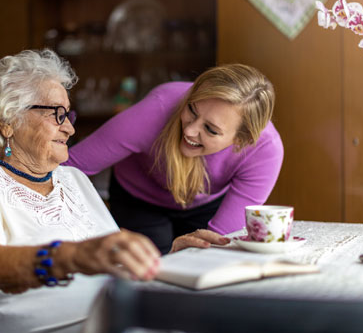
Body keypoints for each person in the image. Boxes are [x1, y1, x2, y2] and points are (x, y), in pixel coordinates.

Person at [0, 49, 228, 333]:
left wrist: (169, 258)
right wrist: (73, 256)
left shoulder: (73, 179)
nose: (70, 130)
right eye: (56, 115)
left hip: (105, 323)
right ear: (8, 122)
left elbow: (110, 259)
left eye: (68, 116)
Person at [65, 64, 283, 254]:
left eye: (210, 129)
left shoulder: (265, 150)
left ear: (242, 140)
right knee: (146, 272)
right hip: (139, 198)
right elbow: (68, 166)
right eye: (192, 110)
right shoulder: (157, 109)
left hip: (206, 204)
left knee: (205, 264)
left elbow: (219, 243)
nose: (190, 130)